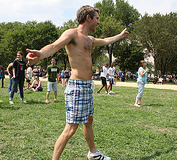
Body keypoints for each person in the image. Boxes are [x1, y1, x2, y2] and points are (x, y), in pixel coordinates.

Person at [26, 5, 129, 160]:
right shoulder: (72, 34)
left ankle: (93, 153)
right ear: (89, 18)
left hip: (87, 86)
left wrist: (120, 36)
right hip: (76, 87)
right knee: (71, 128)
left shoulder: (90, 39)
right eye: (97, 18)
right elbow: (54, 46)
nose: (98, 22)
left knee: (89, 120)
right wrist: (40, 53)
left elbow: (106, 40)